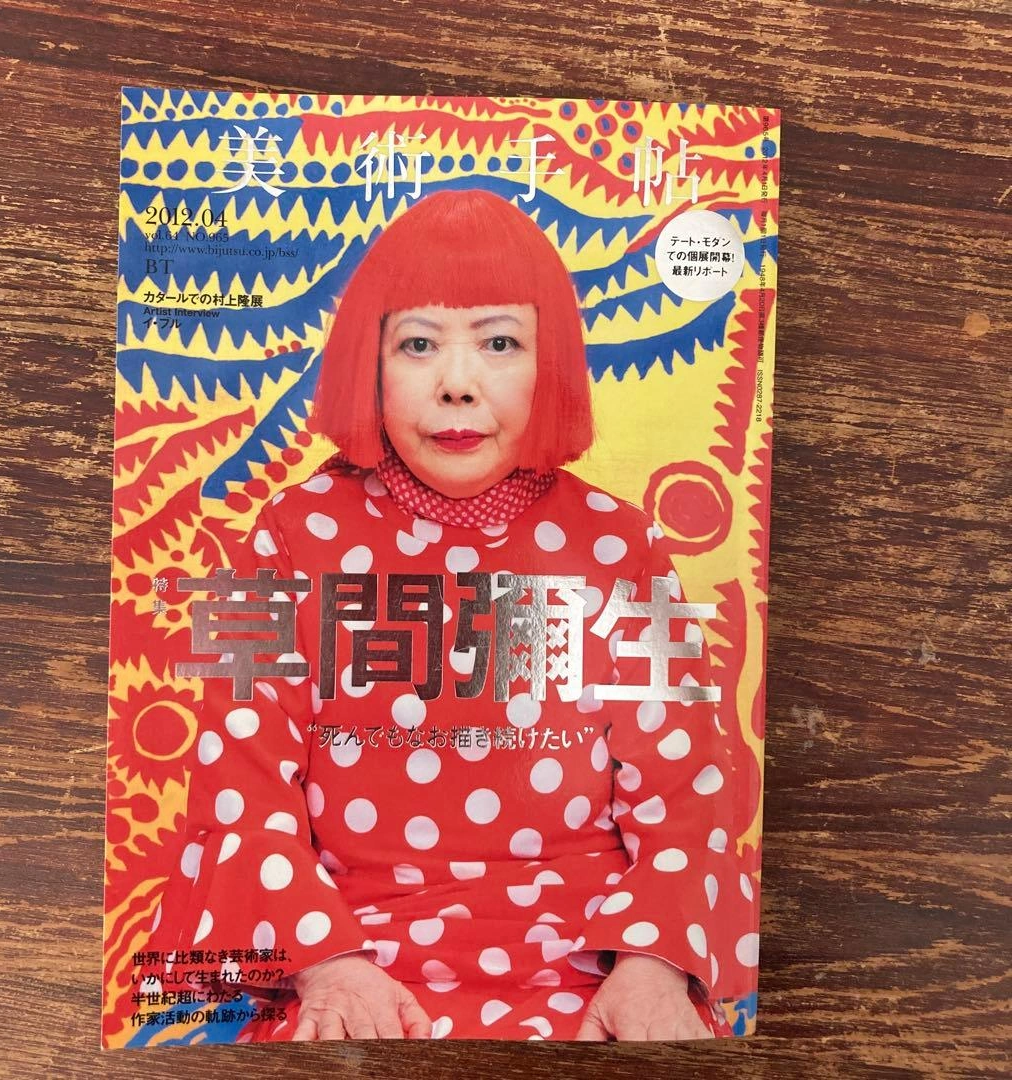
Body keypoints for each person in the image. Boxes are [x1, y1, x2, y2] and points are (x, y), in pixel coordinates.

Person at [145, 189, 756, 1042]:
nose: (458, 385)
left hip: (594, 958)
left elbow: (687, 793)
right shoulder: (284, 535)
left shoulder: (623, 543)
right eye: (419, 343)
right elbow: (239, 787)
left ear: (550, 361)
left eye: (499, 343)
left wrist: (651, 968)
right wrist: (328, 967)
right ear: (369, 363)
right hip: (342, 952)